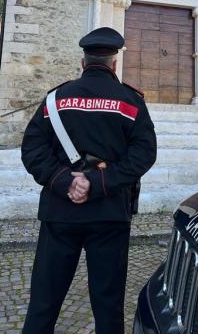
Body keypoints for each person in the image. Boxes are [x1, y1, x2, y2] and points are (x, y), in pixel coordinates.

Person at [21, 27, 157, 334]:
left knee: (43, 304)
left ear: (82, 63)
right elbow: (144, 154)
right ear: (114, 64)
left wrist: (65, 180)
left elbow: (32, 148)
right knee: (108, 308)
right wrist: (99, 183)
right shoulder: (131, 101)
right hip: (109, 215)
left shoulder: (56, 98)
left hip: (60, 213)